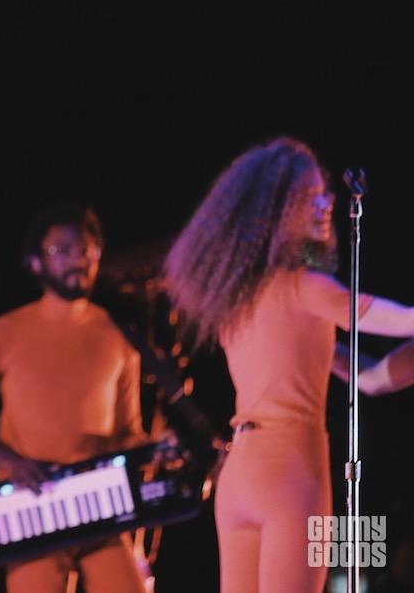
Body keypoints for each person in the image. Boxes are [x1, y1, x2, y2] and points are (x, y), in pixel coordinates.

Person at [163, 136, 414, 593]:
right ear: (273, 210)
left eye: (323, 192)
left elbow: (368, 380)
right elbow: (397, 321)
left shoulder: (238, 298)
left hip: (239, 473)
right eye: (307, 195)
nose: (325, 203)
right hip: (292, 472)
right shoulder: (306, 286)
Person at [0, 203, 148, 593]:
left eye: (85, 251)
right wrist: (10, 463)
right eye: (61, 251)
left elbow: (128, 432)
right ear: (35, 263)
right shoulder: (4, 333)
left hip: (99, 506)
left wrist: (156, 448)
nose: (77, 260)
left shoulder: (118, 336)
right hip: (30, 507)